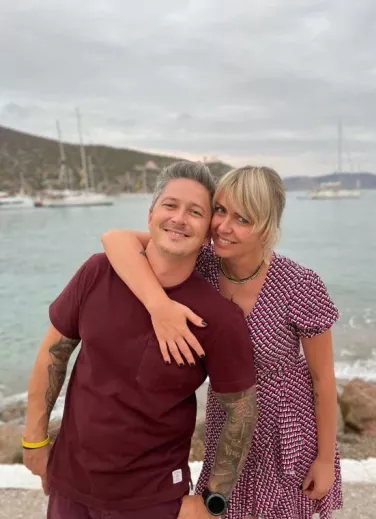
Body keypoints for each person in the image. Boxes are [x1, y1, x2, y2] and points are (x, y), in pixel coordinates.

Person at [101, 165, 343, 519]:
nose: (223, 227)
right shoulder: (203, 264)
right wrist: (158, 306)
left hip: (286, 428)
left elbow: (322, 379)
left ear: (267, 226)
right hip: (228, 418)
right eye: (220, 210)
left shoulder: (300, 285)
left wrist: (324, 460)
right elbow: (115, 239)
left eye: (242, 219)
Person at [23, 161, 258, 519]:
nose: (179, 218)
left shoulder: (219, 317)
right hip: (70, 485)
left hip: (153, 501)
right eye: (170, 205)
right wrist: (35, 440)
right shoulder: (97, 271)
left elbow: (241, 411)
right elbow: (53, 354)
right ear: (150, 216)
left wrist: (214, 499)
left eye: (195, 212)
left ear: (207, 234)